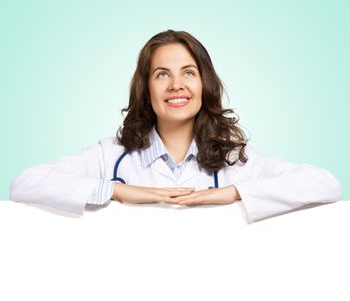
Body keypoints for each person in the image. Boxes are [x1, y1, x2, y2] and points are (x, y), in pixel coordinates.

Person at [9, 29, 342, 222]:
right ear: (146, 88)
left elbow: (325, 185)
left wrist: (230, 194)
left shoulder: (235, 160)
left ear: (203, 84)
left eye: (188, 73)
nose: (176, 85)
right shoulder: (110, 156)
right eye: (162, 74)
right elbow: (25, 184)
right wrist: (121, 191)